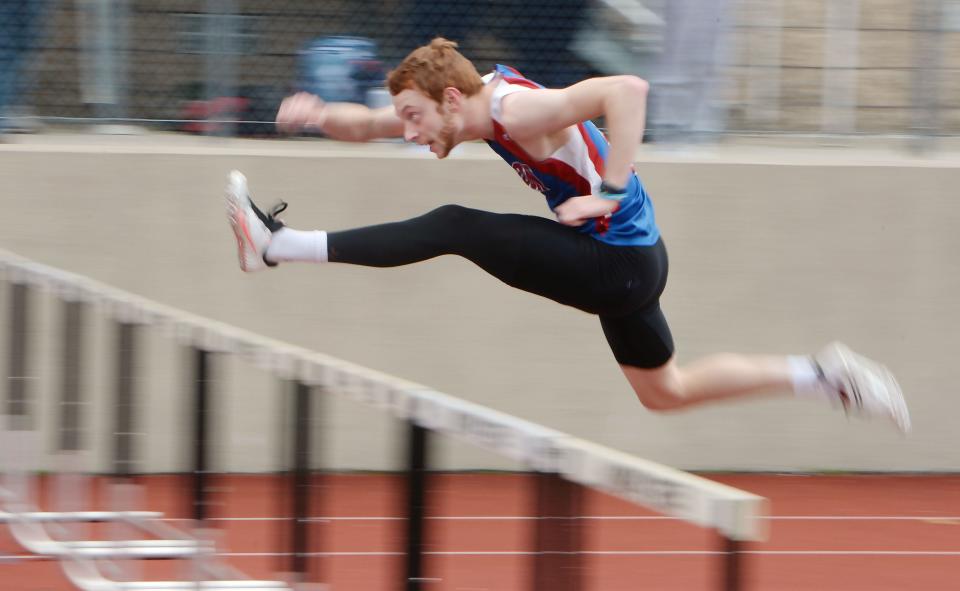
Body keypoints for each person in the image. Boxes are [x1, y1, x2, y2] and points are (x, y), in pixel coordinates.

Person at [224, 38, 910, 433]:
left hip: (617, 260)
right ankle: (822, 375)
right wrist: (316, 115)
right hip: (632, 261)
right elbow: (367, 123)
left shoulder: (519, 110)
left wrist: (608, 189)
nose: (407, 131)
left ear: (452, 101)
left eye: (414, 117)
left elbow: (629, 91)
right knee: (664, 390)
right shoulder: (460, 108)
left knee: (454, 225)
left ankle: (276, 246)